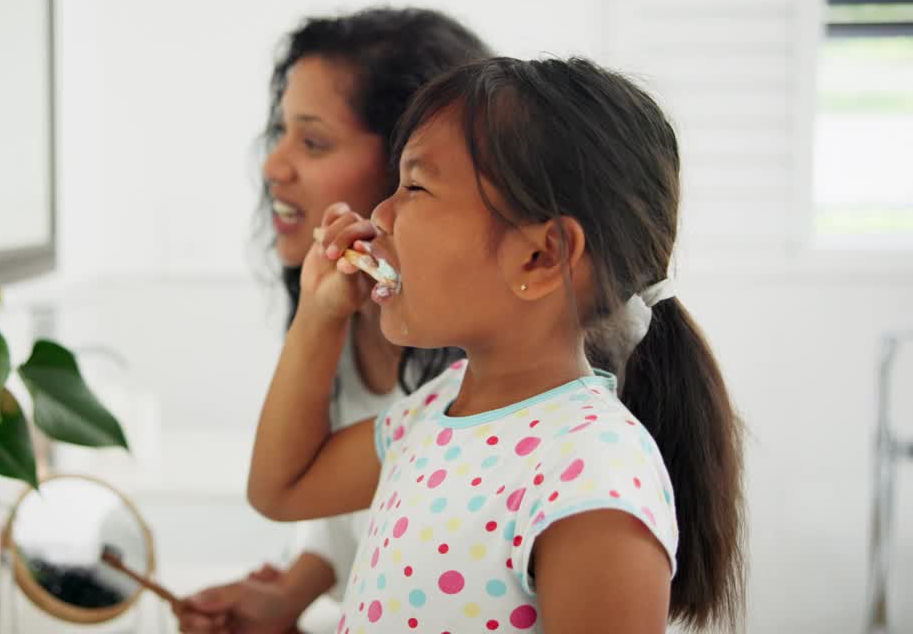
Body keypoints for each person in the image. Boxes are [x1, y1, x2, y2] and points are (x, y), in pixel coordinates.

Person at [245, 57, 745, 632]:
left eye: (415, 186)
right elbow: (281, 489)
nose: (380, 214)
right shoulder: (436, 409)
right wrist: (320, 313)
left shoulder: (591, 474)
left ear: (541, 257)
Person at [176, 8, 492, 634]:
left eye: (313, 142)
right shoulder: (347, 321)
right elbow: (344, 505)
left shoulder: (481, 391)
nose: (273, 167)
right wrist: (288, 594)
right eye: (281, 132)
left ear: (408, 168)